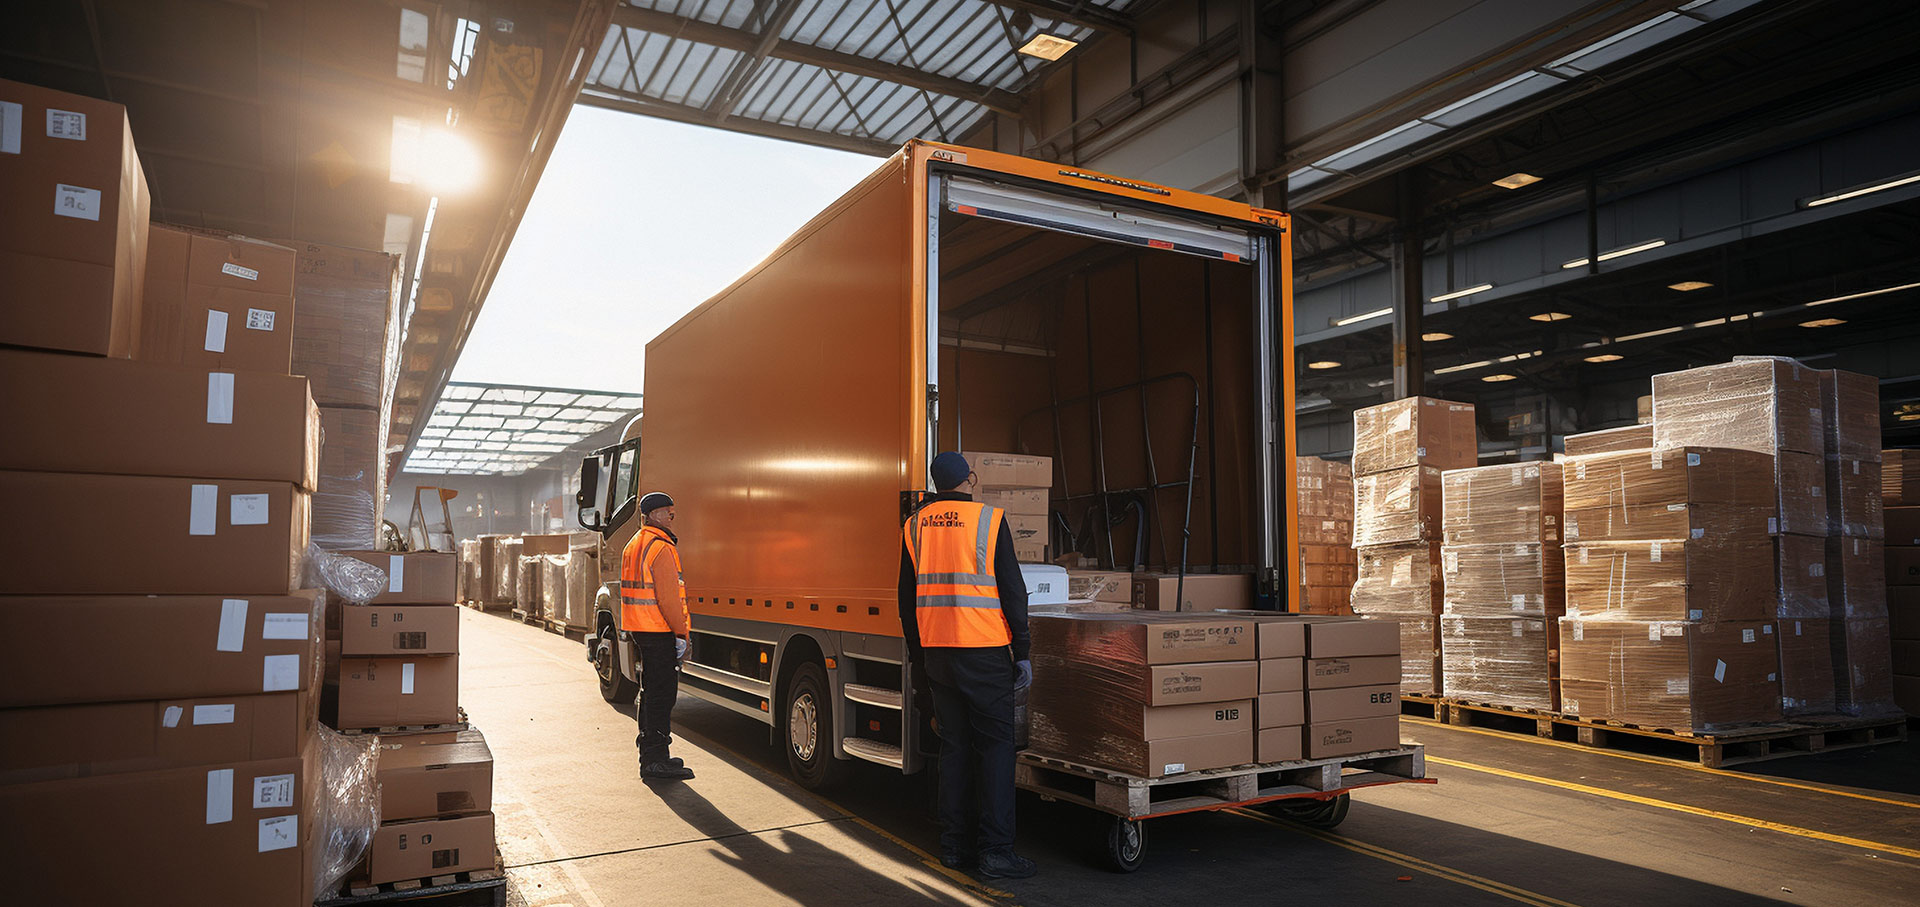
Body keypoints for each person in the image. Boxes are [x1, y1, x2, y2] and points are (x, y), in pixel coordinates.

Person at [898, 451, 1036, 880]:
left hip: (938, 653)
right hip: (985, 651)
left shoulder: (914, 525)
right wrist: (1024, 649)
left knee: (954, 748)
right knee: (996, 749)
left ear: (936, 484)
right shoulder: (990, 522)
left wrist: (919, 657)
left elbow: (906, 601)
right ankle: (996, 851)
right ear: (970, 479)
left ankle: (954, 848)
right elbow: (1014, 591)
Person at [622, 491, 695, 781]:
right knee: (662, 696)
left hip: (641, 628)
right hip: (659, 628)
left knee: (650, 693)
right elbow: (669, 599)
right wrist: (682, 634)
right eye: (668, 513)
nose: (671, 518)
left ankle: (654, 754)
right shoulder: (661, 547)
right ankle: (654, 760)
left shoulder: (635, 544)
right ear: (653, 515)